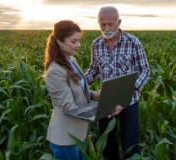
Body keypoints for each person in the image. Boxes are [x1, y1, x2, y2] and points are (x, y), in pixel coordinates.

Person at [43, 20, 123, 160]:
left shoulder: (72, 61)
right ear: (59, 42)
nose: (78, 45)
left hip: (79, 133)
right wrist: (103, 110)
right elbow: (69, 107)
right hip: (65, 138)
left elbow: (78, 89)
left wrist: (97, 95)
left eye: (79, 41)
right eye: (74, 42)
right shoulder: (55, 71)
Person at [84, 6, 151, 159]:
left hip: (129, 101)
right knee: (107, 143)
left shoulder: (133, 42)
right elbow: (93, 69)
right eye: (103, 24)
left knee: (130, 143)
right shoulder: (96, 44)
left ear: (119, 22)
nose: (106, 28)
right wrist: (80, 81)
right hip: (106, 101)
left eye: (111, 24)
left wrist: (127, 91)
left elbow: (145, 70)